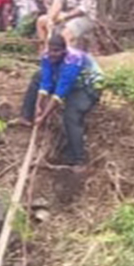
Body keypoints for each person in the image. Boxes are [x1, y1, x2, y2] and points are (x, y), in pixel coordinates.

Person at [20, 34, 102, 170]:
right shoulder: (47, 56)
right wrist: (38, 105)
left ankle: (79, 160)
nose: (53, 54)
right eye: (51, 50)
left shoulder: (73, 60)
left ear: (64, 50)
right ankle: (25, 117)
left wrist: (43, 117)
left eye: (57, 51)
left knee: (71, 115)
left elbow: (60, 93)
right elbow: (45, 82)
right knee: (37, 76)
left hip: (87, 86)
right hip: (65, 80)